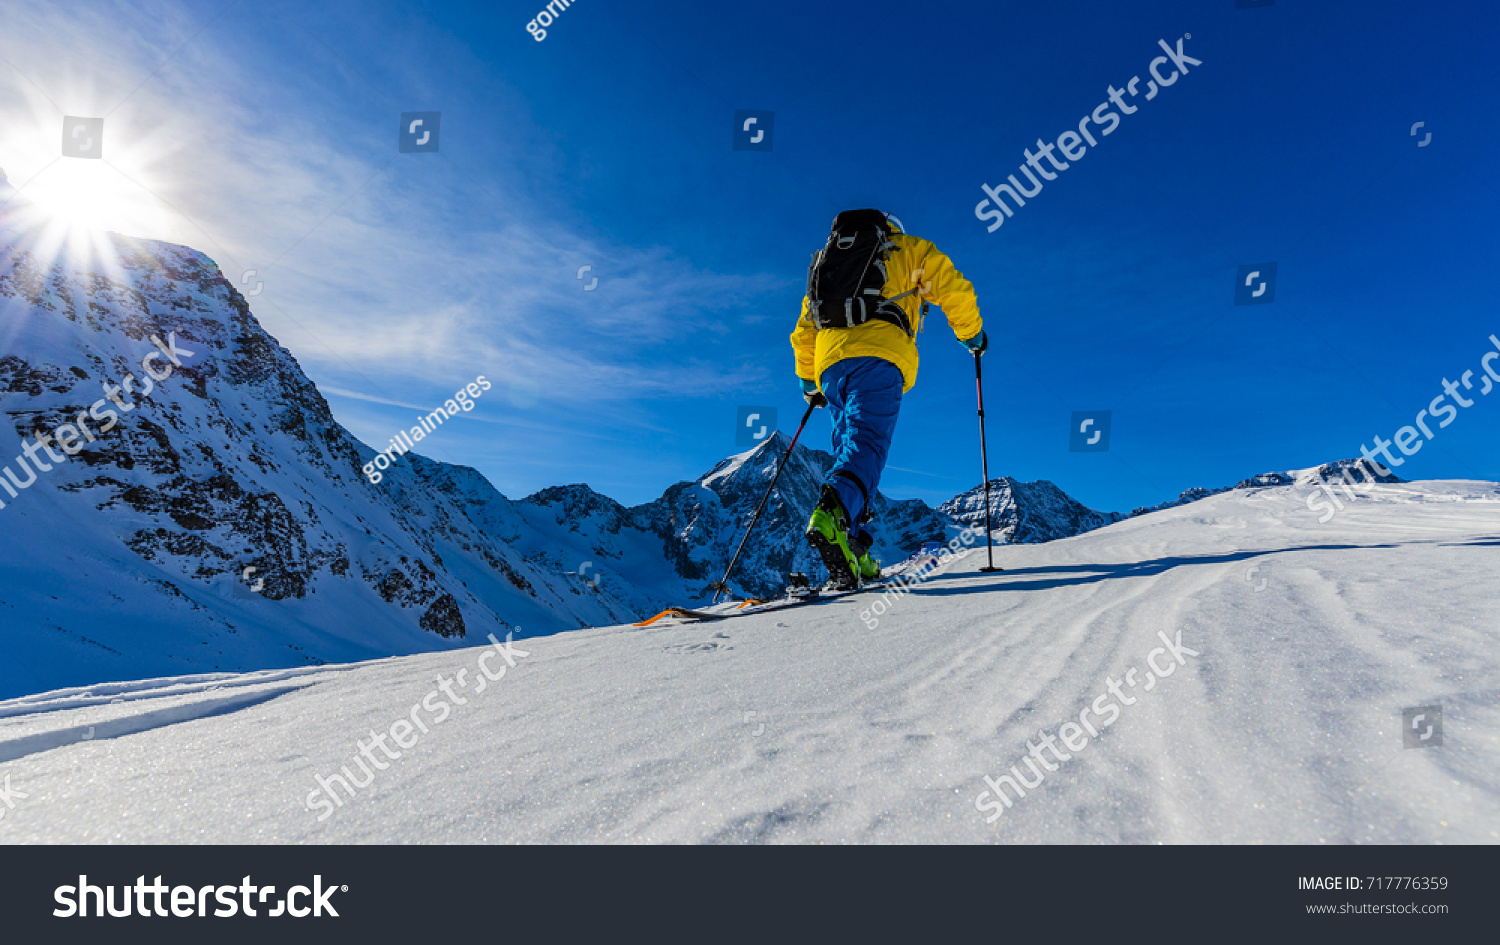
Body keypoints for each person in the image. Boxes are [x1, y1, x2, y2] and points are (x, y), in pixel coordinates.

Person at [790, 209, 985, 589]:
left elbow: (805, 327)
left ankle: (854, 546)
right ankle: (832, 514)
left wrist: (808, 382)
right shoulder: (908, 249)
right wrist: (971, 334)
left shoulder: (827, 264)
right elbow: (952, 286)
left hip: (830, 367)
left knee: (850, 447)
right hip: (879, 356)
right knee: (869, 444)